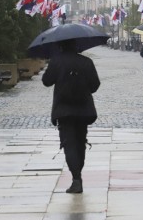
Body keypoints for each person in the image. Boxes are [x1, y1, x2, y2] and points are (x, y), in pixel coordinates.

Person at [41, 39, 100, 194]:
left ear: (61, 45)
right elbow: (95, 85)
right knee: (80, 142)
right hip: (83, 110)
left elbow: (46, 81)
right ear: (76, 45)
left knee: (69, 144)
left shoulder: (56, 61)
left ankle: (76, 178)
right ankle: (77, 175)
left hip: (64, 110)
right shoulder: (86, 62)